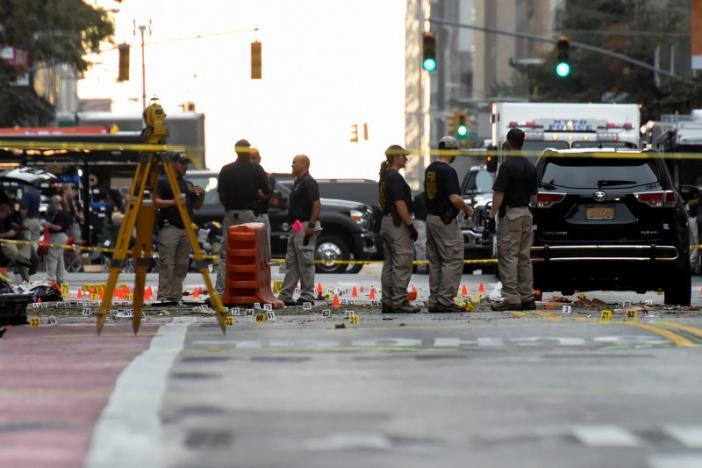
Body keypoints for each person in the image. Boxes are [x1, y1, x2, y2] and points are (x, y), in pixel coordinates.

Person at [489, 128, 537, 311]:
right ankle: (527, 296)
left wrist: (492, 214)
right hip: (526, 214)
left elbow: (499, 193)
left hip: (511, 216)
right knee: (524, 257)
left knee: (508, 257)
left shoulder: (507, 166)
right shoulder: (530, 166)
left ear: (509, 142)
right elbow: (534, 198)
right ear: (523, 142)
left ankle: (511, 298)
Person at [424, 136, 473, 312]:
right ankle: (445, 301)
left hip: (431, 218)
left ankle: (435, 300)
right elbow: (454, 197)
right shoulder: (447, 171)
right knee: (453, 259)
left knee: (436, 261)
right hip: (444, 221)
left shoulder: (430, 169)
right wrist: (467, 209)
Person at [215, 139, 271, 293]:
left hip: (231, 215)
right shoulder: (257, 169)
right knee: (250, 252)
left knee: (226, 253)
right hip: (249, 215)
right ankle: (249, 289)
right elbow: (266, 193)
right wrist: (257, 197)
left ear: (235, 150)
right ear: (248, 150)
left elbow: (221, 195)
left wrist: (228, 206)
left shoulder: (226, 169)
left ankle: (221, 290)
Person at [155, 153, 204, 303]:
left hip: (186, 228)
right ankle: (164, 295)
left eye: (186, 163)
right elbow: (155, 201)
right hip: (170, 226)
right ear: (173, 164)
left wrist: (201, 195)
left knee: (182, 264)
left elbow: (196, 206)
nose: (185, 166)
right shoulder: (162, 181)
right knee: (167, 263)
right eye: (182, 163)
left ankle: (175, 295)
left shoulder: (188, 184)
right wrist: (172, 202)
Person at [379, 145, 420, 313]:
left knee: (390, 264)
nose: (406, 159)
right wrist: (410, 225)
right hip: (397, 223)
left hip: (387, 222)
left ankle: (388, 301)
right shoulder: (395, 177)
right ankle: (399, 302)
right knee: (402, 263)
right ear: (396, 157)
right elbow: (399, 203)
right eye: (403, 156)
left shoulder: (386, 176)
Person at [277, 155, 321, 306]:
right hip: (296, 224)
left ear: (304, 164)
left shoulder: (309, 182)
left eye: (295, 162)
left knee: (305, 261)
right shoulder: (298, 182)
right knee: (292, 262)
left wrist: (311, 224)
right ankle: (286, 295)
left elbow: (316, 204)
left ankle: (307, 295)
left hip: (304, 224)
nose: (292, 165)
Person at [251, 147, 273, 260]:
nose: (252, 160)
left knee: (264, 249)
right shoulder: (243, 176)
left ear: (259, 159)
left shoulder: (267, 176)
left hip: (261, 215)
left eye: (254, 158)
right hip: (247, 214)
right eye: (250, 158)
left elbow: (265, 195)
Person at [45, 195, 72, 285]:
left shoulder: (60, 214)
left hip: (57, 236)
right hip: (63, 236)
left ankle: (51, 277)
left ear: (56, 203)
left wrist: (49, 225)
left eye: (52, 203)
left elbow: (58, 227)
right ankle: (61, 277)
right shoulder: (65, 212)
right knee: (59, 258)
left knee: (52, 257)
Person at [0, 203, 31, 281]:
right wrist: (6, 234)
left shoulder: (5, 219)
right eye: (6, 213)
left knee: (27, 243)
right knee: (11, 249)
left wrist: (19, 227)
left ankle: (23, 258)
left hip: (9, 242)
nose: (7, 215)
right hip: (4, 243)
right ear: (1, 211)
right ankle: (19, 259)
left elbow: (12, 224)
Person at [19, 184, 41, 272]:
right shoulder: (37, 194)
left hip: (28, 220)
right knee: (35, 243)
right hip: (36, 220)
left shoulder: (27, 194)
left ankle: (25, 265)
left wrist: (22, 220)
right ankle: (34, 260)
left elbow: (24, 210)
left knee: (26, 243)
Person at [412, 192, 428, 274]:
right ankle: (422, 267)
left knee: (421, 245)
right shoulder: (420, 198)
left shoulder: (419, 198)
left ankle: (421, 266)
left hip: (420, 221)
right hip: (422, 221)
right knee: (421, 245)